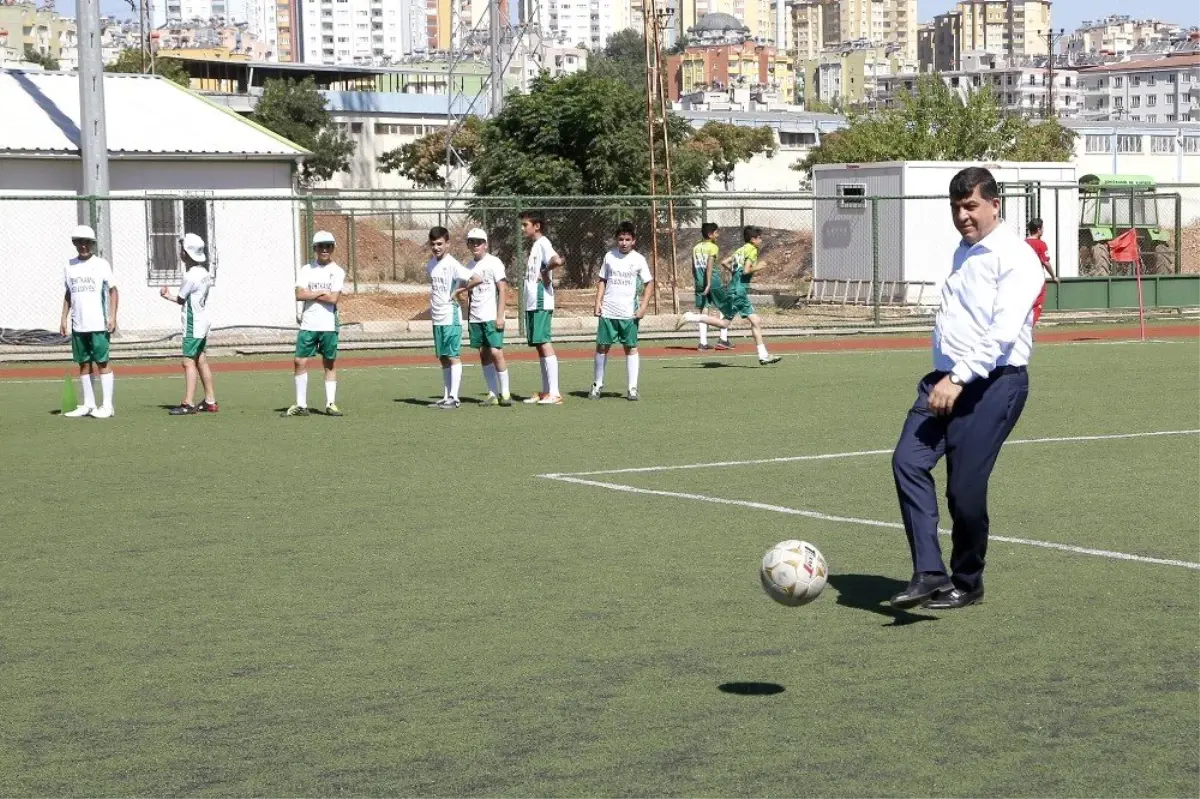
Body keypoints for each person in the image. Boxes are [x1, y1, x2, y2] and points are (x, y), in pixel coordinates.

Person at [889, 167, 1044, 611]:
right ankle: (929, 573)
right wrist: (947, 376)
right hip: (945, 382)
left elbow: (1001, 333)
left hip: (994, 384)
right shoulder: (965, 250)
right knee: (908, 461)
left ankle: (968, 581)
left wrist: (957, 379)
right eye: (956, 207)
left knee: (964, 491)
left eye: (971, 205)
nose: (963, 215)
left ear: (995, 204)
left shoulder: (1015, 256)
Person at [678, 225, 781, 365]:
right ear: (753, 239)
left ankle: (763, 356)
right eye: (759, 238)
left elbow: (725, 262)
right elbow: (746, 270)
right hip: (739, 292)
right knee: (726, 323)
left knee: (752, 321)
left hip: (735, 289)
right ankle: (691, 316)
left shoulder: (741, 249)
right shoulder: (752, 250)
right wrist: (761, 266)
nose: (761, 240)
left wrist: (734, 273)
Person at [589, 221, 654, 401]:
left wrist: (643, 308)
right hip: (608, 311)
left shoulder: (639, 259)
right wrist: (598, 302)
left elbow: (649, 283)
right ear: (616, 240)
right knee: (602, 347)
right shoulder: (609, 256)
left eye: (627, 239)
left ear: (633, 240)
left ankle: (632, 388)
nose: (623, 243)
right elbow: (602, 280)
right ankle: (597, 385)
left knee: (630, 348)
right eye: (620, 239)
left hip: (628, 313)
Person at [60, 225, 118, 418]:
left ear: (92, 244)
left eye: (87, 242)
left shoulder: (101, 264)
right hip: (79, 324)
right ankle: (88, 404)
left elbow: (113, 291)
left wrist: (112, 317)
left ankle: (107, 406)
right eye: (79, 242)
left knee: (102, 362)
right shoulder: (69, 265)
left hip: (98, 324)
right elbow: (68, 293)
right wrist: (63, 319)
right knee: (83, 364)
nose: (83, 246)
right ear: (74, 244)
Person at [285, 230, 345, 417]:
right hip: (309, 324)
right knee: (299, 361)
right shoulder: (306, 270)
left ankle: (330, 403)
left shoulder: (337, 271)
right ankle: (301, 405)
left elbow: (334, 298)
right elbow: (299, 295)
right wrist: (321, 295)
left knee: (329, 363)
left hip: (328, 324)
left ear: (333, 248)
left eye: (328, 246)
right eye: (321, 246)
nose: (324, 249)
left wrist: (312, 294)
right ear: (314, 248)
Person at [160, 233, 218, 415]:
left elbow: (180, 299)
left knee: (188, 362)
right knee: (200, 359)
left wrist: (166, 295)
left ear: (185, 253)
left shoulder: (191, 276)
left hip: (193, 323)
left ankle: (188, 402)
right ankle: (210, 400)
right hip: (203, 319)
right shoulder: (204, 273)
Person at [426, 226, 479, 410]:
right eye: (433, 244)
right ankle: (446, 395)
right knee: (443, 357)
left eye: (440, 243)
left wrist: (460, 290)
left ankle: (455, 398)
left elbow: (476, 278)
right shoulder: (431, 264)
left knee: (453, 355)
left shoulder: (452, 264)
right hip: (437, 317)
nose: (436, 247)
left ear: (447, 244)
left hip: (450, 316)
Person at [520, 210, 566, 405]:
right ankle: (546, 391)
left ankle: (554, 392)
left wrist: (546, 270)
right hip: (532, 302)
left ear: (536, 226)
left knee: (544, 342)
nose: (523, 229)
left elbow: (557, 260)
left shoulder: (544, 243)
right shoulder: (535, 246)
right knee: (539, 345)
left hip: (541, 301)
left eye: (525, 225)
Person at [464, 228, 512, 407]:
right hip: (475, 318)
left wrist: (500, 316)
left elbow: (502, 289)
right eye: (472, 242)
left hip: (491, 316)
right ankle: (492, 393)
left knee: (496, 352)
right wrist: (468, 316)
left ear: (485, 244)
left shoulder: (494, 262)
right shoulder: (468, 267)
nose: (475, 245)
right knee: (483, 353)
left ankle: (505, 393)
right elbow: (467, 293)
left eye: (479, 242)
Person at [691, 222, 731, 351]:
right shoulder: (713, 247)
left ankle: (703, 343)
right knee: (726, 307)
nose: (717, 235)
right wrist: (708, 283)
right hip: (712, 282)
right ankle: (723, 340)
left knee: (703, 310)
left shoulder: (696, 247)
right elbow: (709, 266)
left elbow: (693, 267)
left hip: (699, 282)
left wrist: (698, 281)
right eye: (716, 232)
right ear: (710, 234)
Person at [1025, 218, 1059, 325]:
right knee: (1037, 305)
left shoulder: (1023, 243)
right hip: (1036, 279)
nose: (1043, 231)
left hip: (1023, 278)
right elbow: (1046, 262)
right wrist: (1054, 276)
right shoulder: (1041, 244)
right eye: (1042, 228)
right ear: (1038, 229)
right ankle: (1027, 329)